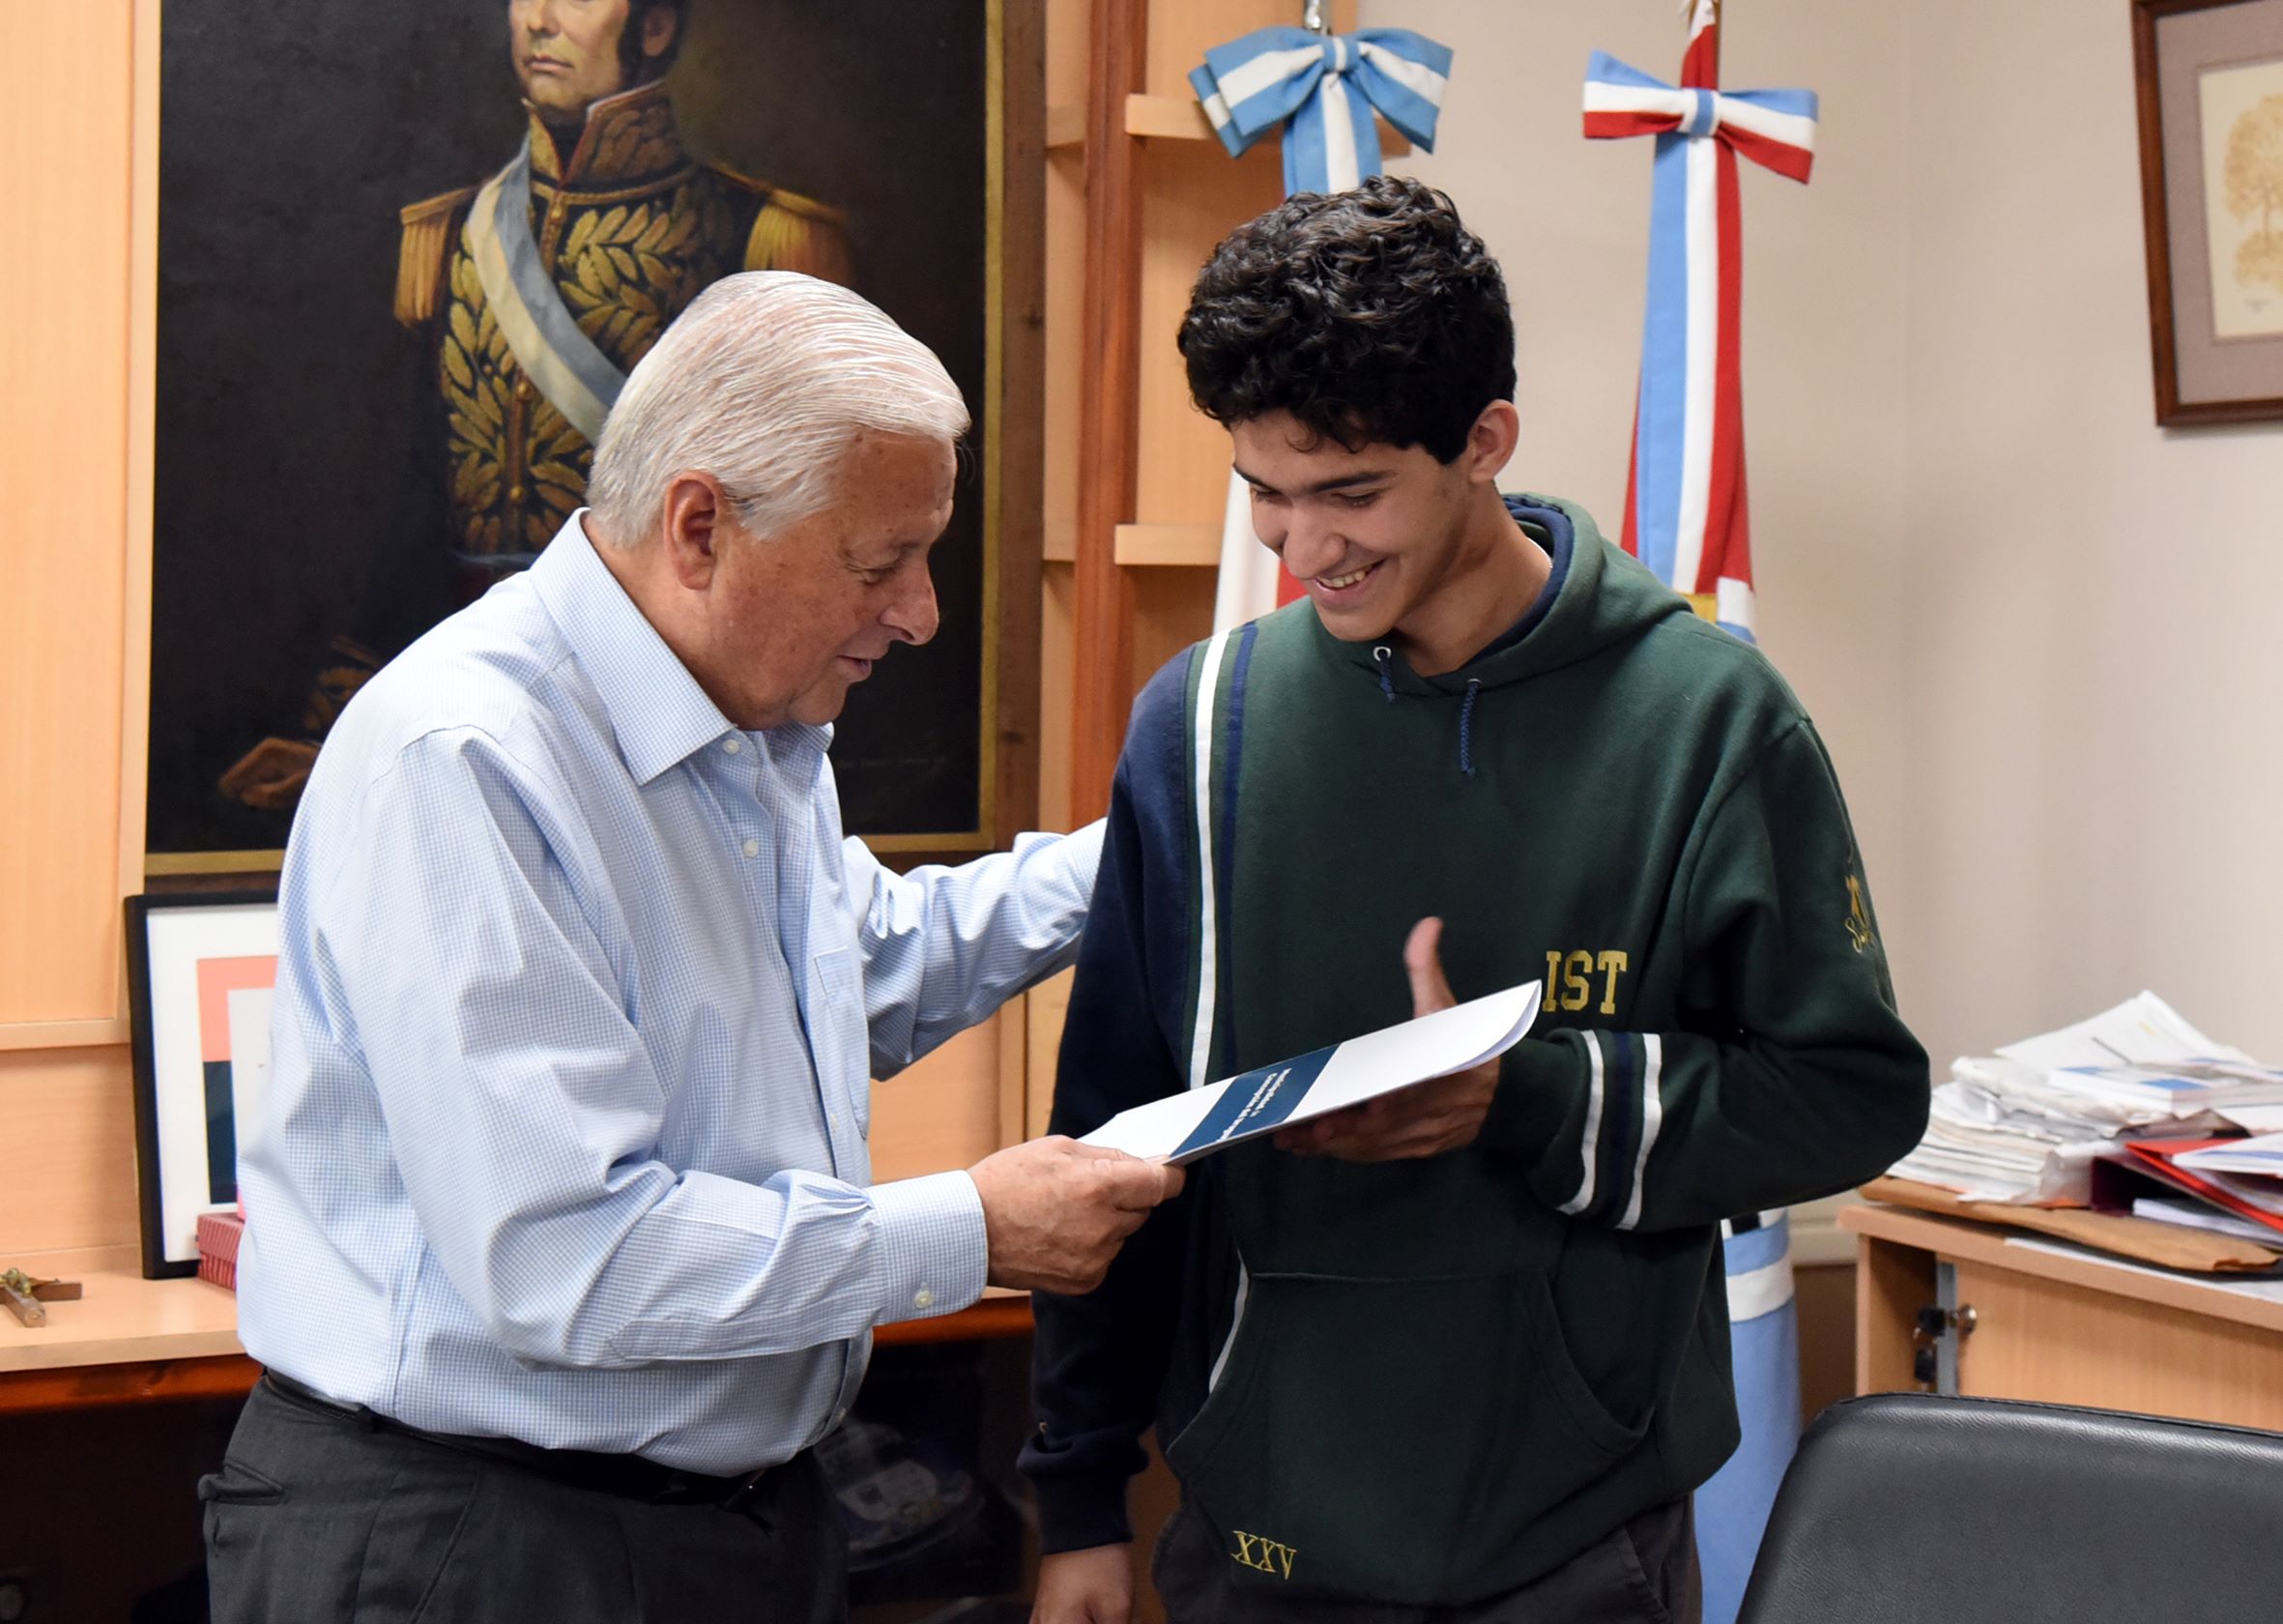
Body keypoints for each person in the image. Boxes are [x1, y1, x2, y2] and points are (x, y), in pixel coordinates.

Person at [207, 272, 1182, 1623]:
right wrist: (969, 1227)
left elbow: (855, 972)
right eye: (879, 562)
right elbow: (569, 1257)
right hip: (480, 1542)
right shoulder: (469, 758)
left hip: (726, 1523)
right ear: (701, 526)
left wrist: (1154, 837)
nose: (920, 612)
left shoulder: (753, 727)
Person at [1022, 177, 1929, 1623]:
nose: (1299, 548)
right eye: (1264, 492)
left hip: (1579, 1549)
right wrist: (1076, 1497)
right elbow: (1112, 1128)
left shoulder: (1707, 722)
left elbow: (1849, 1097)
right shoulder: (1200, 725)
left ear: (1485, 443)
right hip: (1257, 1544)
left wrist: (1526, 1097)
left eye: (1350, 493)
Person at [223, 0, 851, 812]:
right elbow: (418, 517)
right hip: (463, 712)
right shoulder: (454, 237)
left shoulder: (759, 239)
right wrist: (338, 733)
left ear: (655, 27)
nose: (539, 22)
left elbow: (798, 536)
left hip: (659, 732)